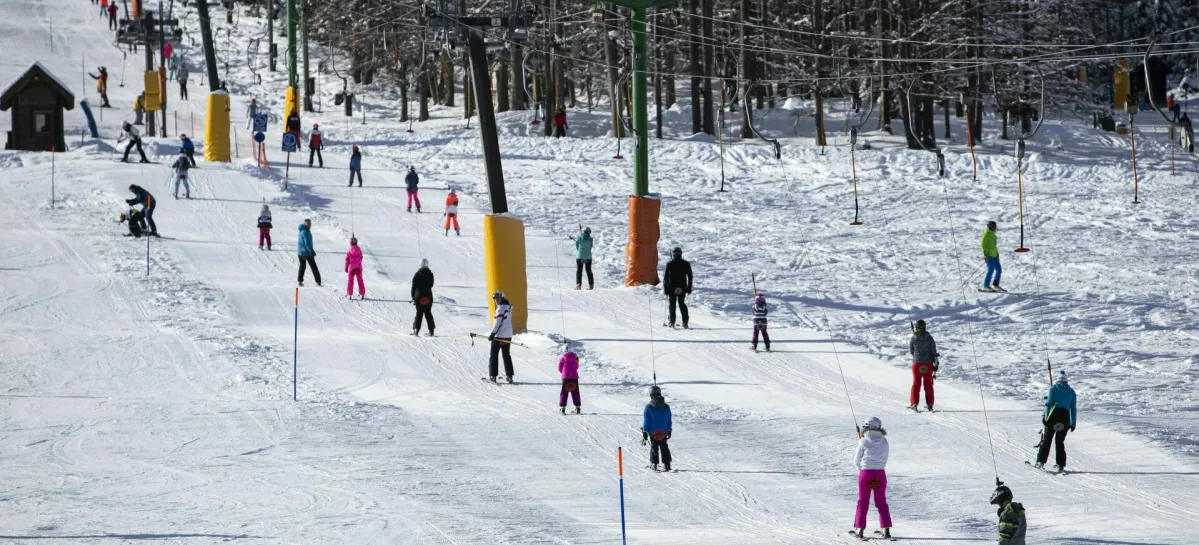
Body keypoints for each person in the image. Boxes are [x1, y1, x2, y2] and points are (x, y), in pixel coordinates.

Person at [851, 417, 892, 540]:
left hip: (865, 473)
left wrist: (861, 467)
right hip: (880, 473)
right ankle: (886, 529)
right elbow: (885, 457)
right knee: (881, 501)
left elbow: (856, 459)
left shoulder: (863, 441)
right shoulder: (884, 441)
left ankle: (860, 528)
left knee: (863, 501)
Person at [1034, 370, 1077, 472]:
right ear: (1066, 380)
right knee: (1059, 441)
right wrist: (1073, 423)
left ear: (1058, 380)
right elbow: (1073, 408)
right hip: (1065, 417)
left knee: (1047, 440)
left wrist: (1045, 418)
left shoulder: (1053, 389)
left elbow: (1048, 404)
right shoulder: (1071, 392)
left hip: (1054, 416)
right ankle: (1060, 465)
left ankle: (1040, 461)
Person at [908, 319, 938, 412]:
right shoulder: (929, 337)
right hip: (928, 364)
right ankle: (930, 404)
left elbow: (912, 351)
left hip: (916, 364)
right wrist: (935, 363)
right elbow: (933, 351)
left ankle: (914, 403)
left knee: (916, 384)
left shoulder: (913, 338)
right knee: (928, 384)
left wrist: (918, 357)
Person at [641, 385, 672, 471]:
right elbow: (669, 419)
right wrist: (669, 429)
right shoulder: (666, 407)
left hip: (653, 432)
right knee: (664, 447)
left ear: (651, 395)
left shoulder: (648, 407)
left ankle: (654, 464)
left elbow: (647, 421)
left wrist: (645, 431)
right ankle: (667, 464)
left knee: (654, 447)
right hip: (663, 431)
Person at [487, 290, 514, 383]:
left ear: (502, 298)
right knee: (506, 355)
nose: (496, 301)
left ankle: (493, 376)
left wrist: (492, 334)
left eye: (498, 298)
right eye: (494, 299)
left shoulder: (500, 309)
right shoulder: (509, 307)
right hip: (507, 336)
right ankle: (509, 376)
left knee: (493, 356)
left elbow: (497, 323)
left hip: (498, 336)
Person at [663, 246, 693, 328]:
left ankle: (672, 322)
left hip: (672, 288)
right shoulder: (686, 264)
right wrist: (689, 288)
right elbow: (690, 277)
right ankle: (685, 322)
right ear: (681, 254)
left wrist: (665, 288)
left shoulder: (669, 264)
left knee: (672, 305)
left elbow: (666, 277)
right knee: (682, 304)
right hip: (682, 288)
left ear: (673, 254)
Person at [411, 258, 435, 336]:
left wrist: (413, 297)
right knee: (428, 313)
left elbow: (413, 287)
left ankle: (416, 330)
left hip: (419, 296)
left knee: (419, 313)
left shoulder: (417, 275)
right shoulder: (431, 274)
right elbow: (431, 285)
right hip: (428, 296)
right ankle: (431, 331)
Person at [981, 220, 1004, 292]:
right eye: (994, 226)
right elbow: (982, 244)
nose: (995, 228)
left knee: (999, 270)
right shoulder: (986, 234)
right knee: (990, 270)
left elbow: (993, 246)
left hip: (995, 256)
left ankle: (995, 285)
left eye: (995, 226)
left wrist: (997, 254)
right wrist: (985, 253)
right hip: (989, 256)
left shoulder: (993, 235)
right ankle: (985, 285)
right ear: (990, 227)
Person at [296, 218, 321, 286]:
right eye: (308, 224)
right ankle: (318, 281)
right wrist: (311, 251)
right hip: (306, 252)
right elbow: (307, 243)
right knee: (313, 266)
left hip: (300, 252)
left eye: (310, 224)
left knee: (302, 266)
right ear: (305, 224)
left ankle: (300, 281)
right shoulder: (305, 232)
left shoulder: (302, 231)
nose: (310, 225)